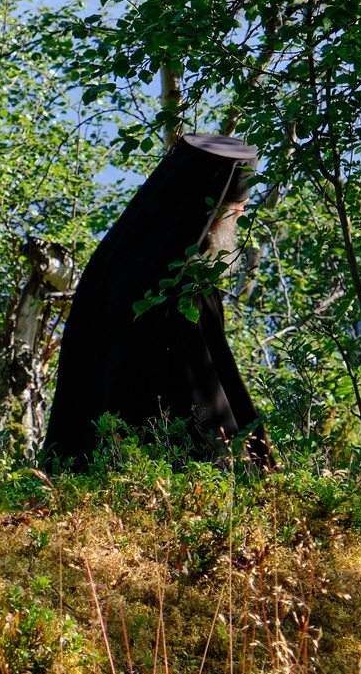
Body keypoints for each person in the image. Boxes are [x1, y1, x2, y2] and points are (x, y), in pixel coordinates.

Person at [43, 132, 264, 472]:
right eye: (239, 208)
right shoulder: (183, 281)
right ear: (213, 209)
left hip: (93, 461)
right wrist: (245, 465)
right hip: (156, 478)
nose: (241, 216)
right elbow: (200, 389)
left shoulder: (115, 257)